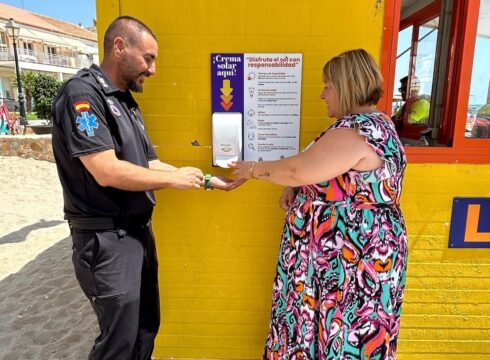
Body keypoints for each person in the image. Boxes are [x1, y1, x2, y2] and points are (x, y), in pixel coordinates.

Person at [52, 16, 241, 360]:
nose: (152, 70)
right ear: (119, 46)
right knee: (118, 343)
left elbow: (149, 164)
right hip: (106, 240)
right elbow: (105, 170)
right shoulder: (82, 95)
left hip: (138, 234)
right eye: (148, 58)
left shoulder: (125, 100)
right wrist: (174, 179)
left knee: (143, 331)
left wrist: (208, 181)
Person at [231, 49, 408, 359]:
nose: (322, 94)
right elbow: (330, 176)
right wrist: (300, 190)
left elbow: (300, 168)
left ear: (346, 85)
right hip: (342, 255)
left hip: (348, 259)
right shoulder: (371, 125)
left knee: (344, 332)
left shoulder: (357, 130)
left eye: (327, 85)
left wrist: (254, 169)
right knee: (334, 331)